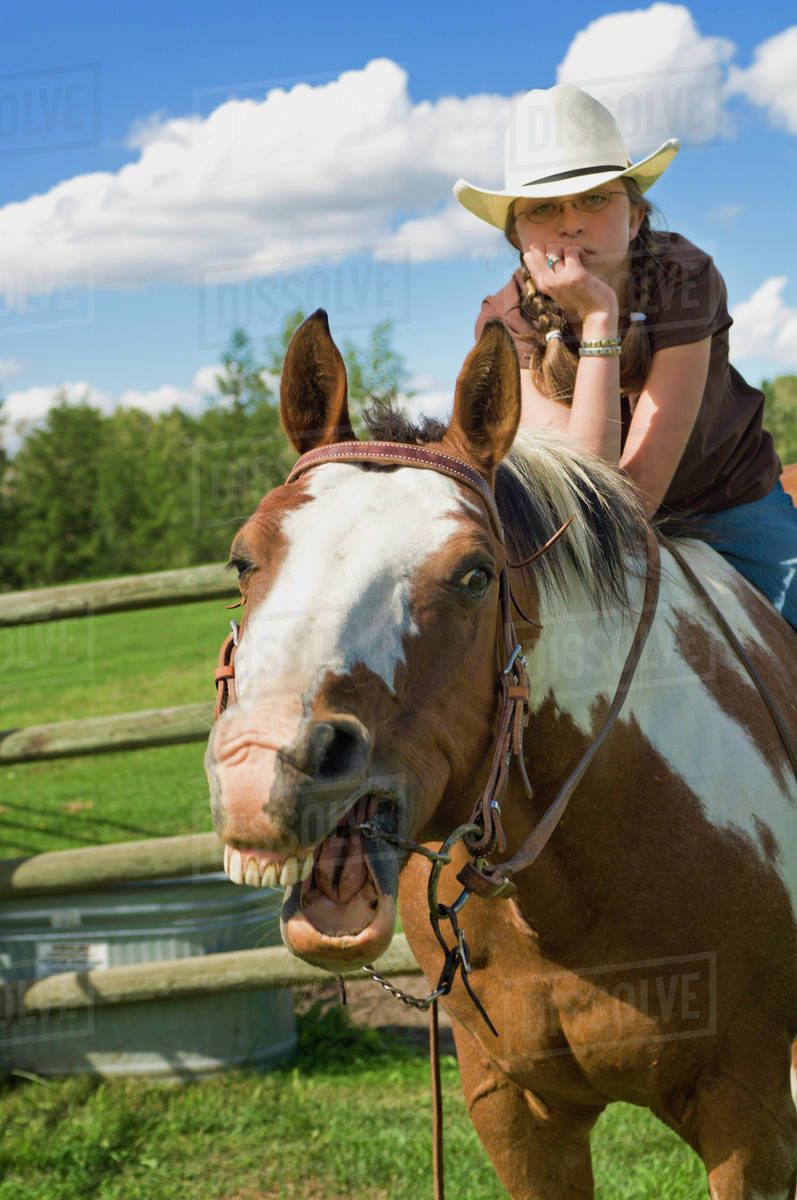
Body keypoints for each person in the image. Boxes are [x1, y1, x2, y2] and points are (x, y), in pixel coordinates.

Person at [453, 83, 797, 630]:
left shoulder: (685, 277)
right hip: (597, 531)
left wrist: (598, 318)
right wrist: (596, 320)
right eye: (544, 208)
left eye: (595, 198)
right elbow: (588, 499)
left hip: (727, 504)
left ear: (635, 217)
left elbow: (632, 499)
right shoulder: (508, 320)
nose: (571, 222)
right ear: (517, 235)